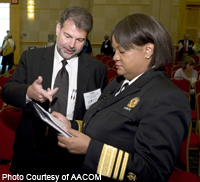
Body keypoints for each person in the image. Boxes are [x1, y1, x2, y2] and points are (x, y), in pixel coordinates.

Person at [53, 13, 191, 182]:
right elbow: (106, 126)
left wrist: (90, 150)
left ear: (148, 50)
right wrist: (71, 125)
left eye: (122, 51)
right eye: (114, 50)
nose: (115, 57)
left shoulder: (167, 98)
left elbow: (152, 173)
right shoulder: (118, 83)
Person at [1, 6, 107, 176]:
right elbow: (7, 91)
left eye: (80, 40)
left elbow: (98, 113)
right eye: (68, 36)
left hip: (75, 157)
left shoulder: (96, 69)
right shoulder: (32, 59)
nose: (72, 45)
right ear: (58, 28)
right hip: (35, 151)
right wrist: (28, 92)